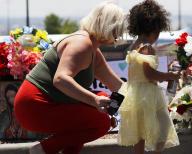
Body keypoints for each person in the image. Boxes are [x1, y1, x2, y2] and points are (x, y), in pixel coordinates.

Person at [14, 2, 126, 154]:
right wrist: (94, 101)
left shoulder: (92, 49)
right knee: (100, 122)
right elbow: (60, 80)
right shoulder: (82, 44)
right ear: (109, 27)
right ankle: (42, 149)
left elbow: (118, 86)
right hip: (35, 107)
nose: (118, 36)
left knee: (103, 104)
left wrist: (148, 99)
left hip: (45, 104)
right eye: (118, 30)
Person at [117, 0, 180, 154]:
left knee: (140, 133)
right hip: (147, 94)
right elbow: (149, 74)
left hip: (135, 93)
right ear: (154, 29)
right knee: (164, 127)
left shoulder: (135, 45)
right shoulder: (147, 48)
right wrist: (169, 75)